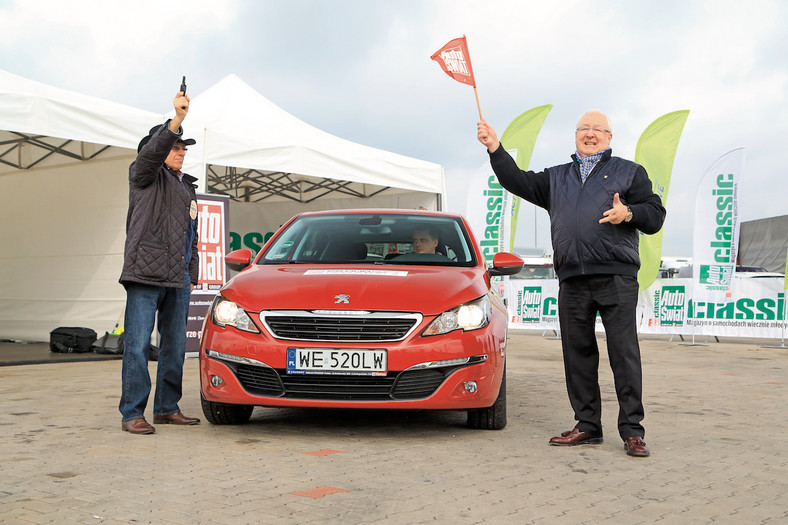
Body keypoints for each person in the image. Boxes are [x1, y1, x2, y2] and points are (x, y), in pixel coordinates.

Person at [477, 110, 666, 457]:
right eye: (584, 128)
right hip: (573, 279)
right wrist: (495, 148)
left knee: (623, 354)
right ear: (575, 135)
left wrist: (630, 214)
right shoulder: (557, 178)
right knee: (577, 355)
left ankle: (632, 431)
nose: (590, 134)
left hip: (616, 276)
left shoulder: (629, 172)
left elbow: (655, 214)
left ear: (609, 137)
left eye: (598, 129)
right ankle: (588, 425)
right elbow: (516, 181)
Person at [118, 90, 201, 434]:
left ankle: (167, 407)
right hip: (145, 274)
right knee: (137, 344)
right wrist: (176, 120)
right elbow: (152, 153)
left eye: (184, 148)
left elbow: (190, 236)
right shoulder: (144, 174)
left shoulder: (187, 188)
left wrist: (191, 272)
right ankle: (132, 413)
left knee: (176, 346)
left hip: (177, 277)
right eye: (176, 147)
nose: (181, 152)